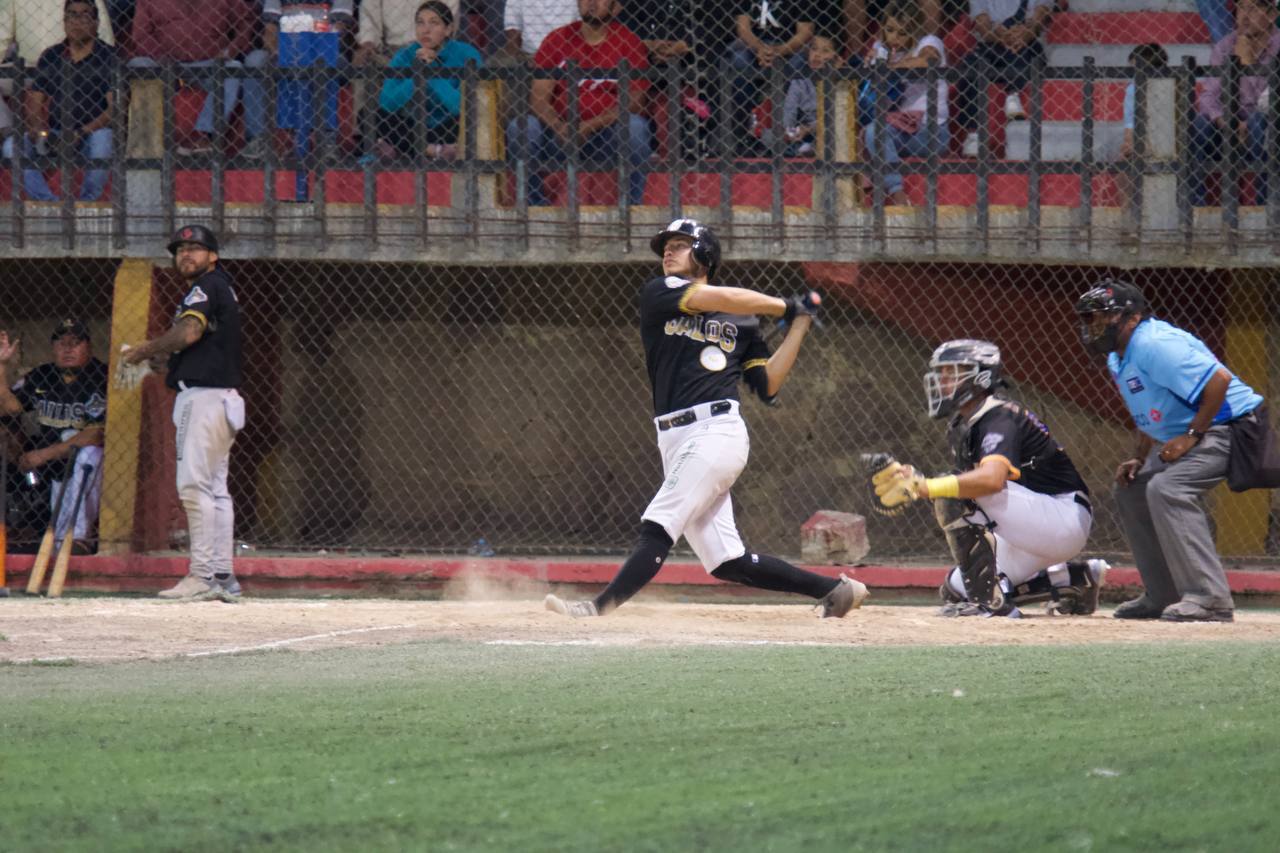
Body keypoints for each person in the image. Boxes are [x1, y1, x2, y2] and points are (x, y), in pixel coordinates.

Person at [545, 218, 868, 619]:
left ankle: (596, 608)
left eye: (680, 245)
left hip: (717, 431)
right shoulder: (659, 293)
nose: (668, 251)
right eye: (667, 245)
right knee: (725, 560)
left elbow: (767, 385)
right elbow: (720, 298)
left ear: (704, 255)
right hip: (674, 437)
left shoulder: (744, 321)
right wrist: (785, 305)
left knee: (660, 522)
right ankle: (836, 590)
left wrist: (798, 323)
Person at [1074, 279, 1264, 622]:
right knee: (1133, 488)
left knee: (1168, 488)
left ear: (1131, 318)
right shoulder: (1119, 357)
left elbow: (1218, 381)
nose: (1094, 326)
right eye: (1089, 319)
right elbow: (1150, 412)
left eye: (1101, 317)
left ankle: (1210, 598)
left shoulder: (1154, 344)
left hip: (1235, 428)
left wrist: (1192, 435)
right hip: (1203, 432)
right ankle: (1163, 595)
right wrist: (1139, 456)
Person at [874, 339, 1107, 617]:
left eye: (954, 371)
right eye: (942, 372)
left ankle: (991, 604)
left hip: (1062, 516)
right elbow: (973, 487)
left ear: (981, 375)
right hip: (1032, 525)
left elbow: (991, 481)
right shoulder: (964, 423)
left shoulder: (998, 416)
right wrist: (917, 479)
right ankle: (1076, 579)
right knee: (956, 589)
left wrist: (927, 487)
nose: (943, 379)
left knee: (951, 490)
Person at [122, 225, 245, 602]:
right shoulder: (220, 287)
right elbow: (197, 348)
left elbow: (189, 332)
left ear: (213, 256)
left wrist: (141, 350)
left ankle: (202, 575)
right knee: (216, 490)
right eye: (181, 249)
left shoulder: (206, 287)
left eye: (196, 248)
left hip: (204, 401)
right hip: (222, 399)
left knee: (194, 488)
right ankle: (223, 576)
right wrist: (164, 364)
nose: (186, 254)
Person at [505, 0, 652, 206]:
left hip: (605, 135)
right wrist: (560, 127)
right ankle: (534, 206)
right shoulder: (557, 39)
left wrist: (588, 126)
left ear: (615, 7)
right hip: (559, 134)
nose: (591, 2)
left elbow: (635, 102)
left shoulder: (629, 42)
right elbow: (538, 98)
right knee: (521, 127)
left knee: (635, 127)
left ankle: (630, 206)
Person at [0, 319, 107, 554]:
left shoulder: (100, 376)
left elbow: (94, 435)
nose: (67, 349)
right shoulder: (43, 374)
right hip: (49, 469)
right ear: (53, 348)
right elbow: (9, 408)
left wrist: (43, 454)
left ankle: (79, 537)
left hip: (84, 465)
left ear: (88, 347)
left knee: (88, 453)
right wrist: (1, 366)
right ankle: (57, 540)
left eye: (75, 343)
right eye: (61, 343)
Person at [1, 1, 116, 202]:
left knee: (104, 141)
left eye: (84, 16)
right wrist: (38, 131)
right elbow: (35, 101)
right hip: (56, 133)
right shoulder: (52, 55)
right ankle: (49, 203)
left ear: (96, 23)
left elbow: (115, 108)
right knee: (12, 146)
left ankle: (86, 204)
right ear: (64, 21)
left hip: (92, 132)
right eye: (71, 15)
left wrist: (81, 132)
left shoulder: (108, 57)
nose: (77, 22)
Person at [129, 0, 265, 156]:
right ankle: (146, 150)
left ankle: (204, 135)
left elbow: (245, 22)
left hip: (209, 63)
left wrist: (229, 51)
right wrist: (161, 57)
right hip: (164, 64)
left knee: (233, 68)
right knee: (138, 64)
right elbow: (140, 34)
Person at [1188, 0, 1279, 206]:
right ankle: (1196, 204)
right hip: (1230, 129)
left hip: (1269, 130)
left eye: (1254, 9)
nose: (1245, 16)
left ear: (1272, 15)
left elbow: (1270, 100)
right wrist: (1225, 120)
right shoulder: (1226, 45)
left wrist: (1249, 64)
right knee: (1199, 124)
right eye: (1242, 8)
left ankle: (1266, 205)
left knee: (1259, 121)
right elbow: (1208, 97)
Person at [861, 1, 948, 204]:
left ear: (915, 31)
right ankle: (893, 191)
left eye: (903, 33)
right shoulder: (880, 49)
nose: (894, 38)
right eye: (889, 30)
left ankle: (895, 193)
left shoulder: (929, 42)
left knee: (876, 133)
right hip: (896, 130)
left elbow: (928, 60)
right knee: (873, 132)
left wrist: (892, 67)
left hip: (930, 131)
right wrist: (871, 65)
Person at [372, 1, 482, 160]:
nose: (426, 30)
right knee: (369, 115)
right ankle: (433, 151)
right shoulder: (405, 55)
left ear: (448, 29)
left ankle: (400, 149)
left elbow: (463, 107)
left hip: (448, 125)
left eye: (434, 23)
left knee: (469, 119)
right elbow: (386, 103)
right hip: (413, 126)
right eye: (420, 23)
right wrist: (419, 75)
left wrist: (433, 72)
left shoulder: (467, 54)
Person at [955, 0, 1053, 158]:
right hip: (992, 44)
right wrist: (998, 35)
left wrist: (1023, 35)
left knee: (1023, 54)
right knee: (970, 65)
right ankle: (974, 133)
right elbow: (983, 27)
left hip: (1027, 44)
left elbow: (1038, 21)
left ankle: (1013, 94)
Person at [726, 0, 814, 154]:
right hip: (754, 46)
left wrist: (780, 51)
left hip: (789, 46)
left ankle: (790, 136)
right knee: (738, 60)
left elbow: (805, 32)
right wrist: (760, 49)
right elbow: (743, 28)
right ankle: (741, 133)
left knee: (798, 66)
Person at [778, 31, 839, 156]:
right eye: (814, 49)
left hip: (829, 130)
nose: (817, 54)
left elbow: (837, 114)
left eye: (825, 51)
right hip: (804, 129)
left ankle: (812, 148)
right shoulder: (799, 80)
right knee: (770, 134)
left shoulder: (841, 82)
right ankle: (800, 147)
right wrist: (789, 130)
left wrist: (811, 128)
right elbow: (790, 108)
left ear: (836, 58)